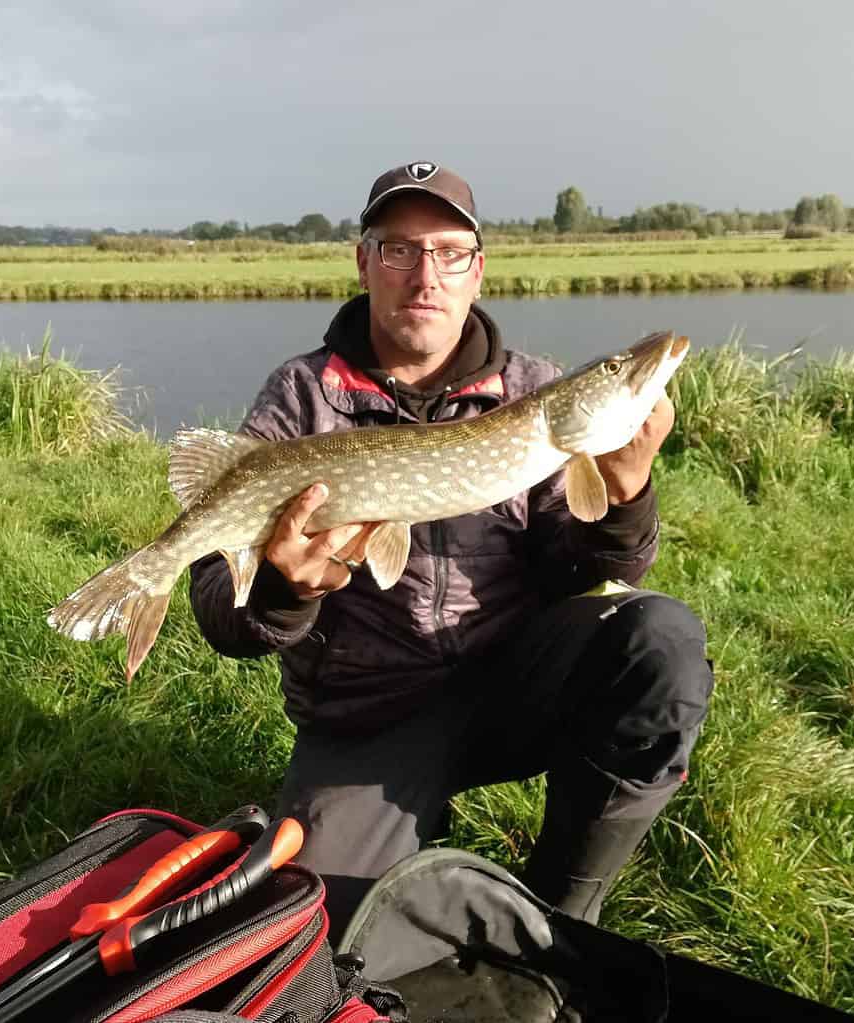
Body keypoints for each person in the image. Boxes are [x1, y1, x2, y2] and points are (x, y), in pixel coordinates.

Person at [189, 162, 714, 940]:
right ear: (363, 262)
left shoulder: (532, 394)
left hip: (513, 686)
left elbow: (589, 579)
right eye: (398, 249)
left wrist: (626, 492)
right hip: (369, 717)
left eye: (448, 251)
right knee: (324, 932)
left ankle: (562, 913)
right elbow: (219, 616)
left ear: (477, 269)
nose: (423, 274)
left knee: (659, 639)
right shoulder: (300, 398)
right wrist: (283, 592)